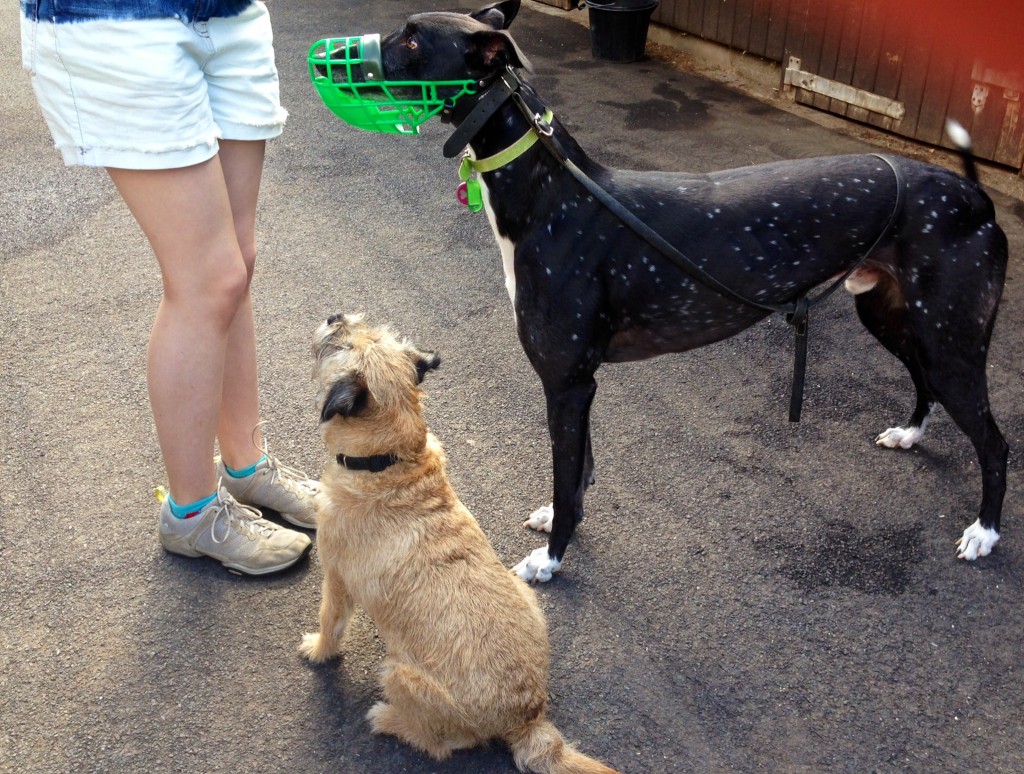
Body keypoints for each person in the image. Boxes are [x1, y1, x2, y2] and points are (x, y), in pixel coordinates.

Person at [20, 0, 317, 575]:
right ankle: (192, 513)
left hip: (229, 15)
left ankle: (247, 465)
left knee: (237, 259)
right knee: (209, 278)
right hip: (117, 23)